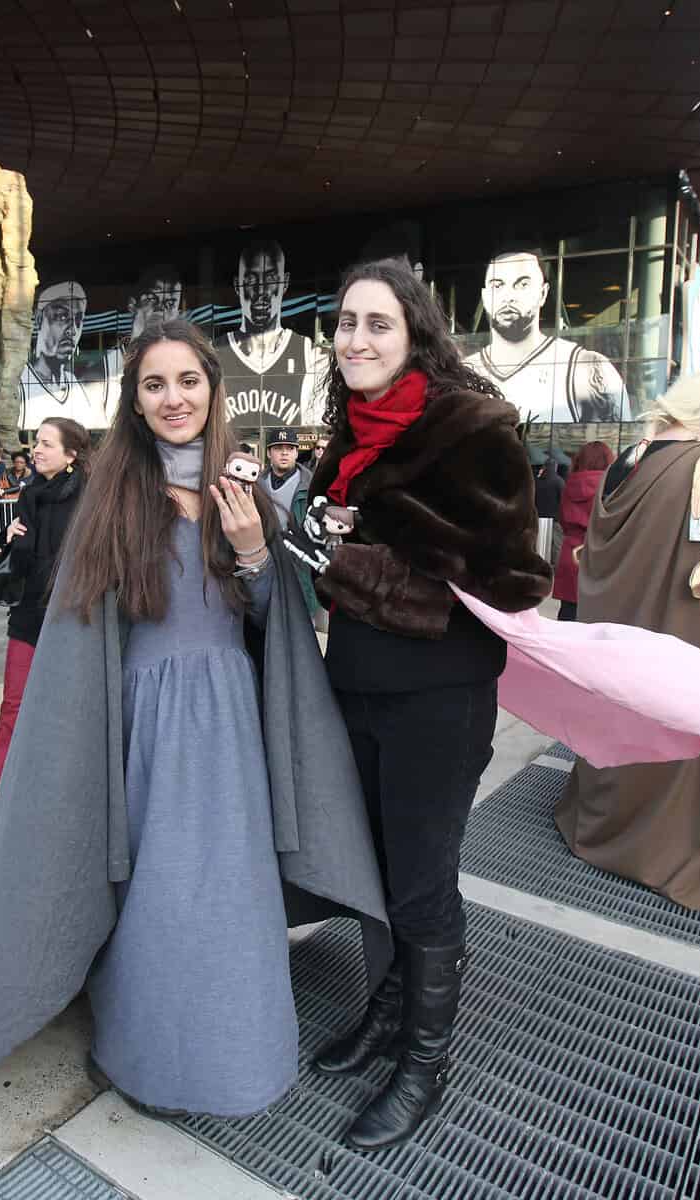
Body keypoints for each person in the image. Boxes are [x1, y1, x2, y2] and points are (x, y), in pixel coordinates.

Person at [0, 318, 389, 1129]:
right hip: (141, 726)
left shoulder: (247, 495)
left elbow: (277, 625)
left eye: (188, 381)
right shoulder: (112, 499)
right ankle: (148, 1054)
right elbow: (81, 639)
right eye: (155, 384)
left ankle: (234, 1055)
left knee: (228, 893)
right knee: (158, 895)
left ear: (213, 390)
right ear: (134, 403)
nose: (174, 398)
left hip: (229, 725)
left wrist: (253, 552)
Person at [286, 260, 550, 1150]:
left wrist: (355, 556)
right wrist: (319, 538)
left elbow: (512, 580)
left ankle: (426, 1063)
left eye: (377, 324)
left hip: (439, 697)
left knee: (422, 884)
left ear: (416, 335)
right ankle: (389, 1014)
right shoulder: (349, 437)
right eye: (345, 322)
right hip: (356, 684)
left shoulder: (473, 428)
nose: (355, 339)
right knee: (375, 868)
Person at [557, 372, 700, 911]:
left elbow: (597, 551)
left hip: (619, 624)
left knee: (621, 722)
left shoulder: (628, 458)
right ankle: (698, 848)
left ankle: (608, 827)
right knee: (683, 736)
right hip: (676, 625)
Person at [0, 416, 90, 820]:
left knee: (71, 710)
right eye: (37, 442)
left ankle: (70, 793)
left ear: (71, 454)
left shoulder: (92, 498)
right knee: (13, 704)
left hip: (75, 617)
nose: (37, 450)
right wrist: (8, 538)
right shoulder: (29, 494)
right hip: (29, 614)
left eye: (47, 444)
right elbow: (17, 561)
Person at [463, 249, 628, 424]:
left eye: (522, 284)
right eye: (497, 285)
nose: (508, 297)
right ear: (485, 296)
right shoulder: (463, 372)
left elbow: (618, 439)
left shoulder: (584, 368)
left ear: (543, 293)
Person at [219, 239, 328, 430]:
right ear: (237, 285)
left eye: (270, 279)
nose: (261, 291)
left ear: (284, 283)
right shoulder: (214, 354)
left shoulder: (311, 357)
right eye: (251, 280)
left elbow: (317, 432)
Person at [20, 280, 114, 433]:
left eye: (78, 320)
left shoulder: (75, 385)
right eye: (62, 317)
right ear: (39, 319)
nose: (72, 330)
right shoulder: (20, 381)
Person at [551, 441, 615, 622]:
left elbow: (563, 519)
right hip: (598, 553)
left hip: (571, 551)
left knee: (568, 614)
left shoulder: (568, 484)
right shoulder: (611, 488)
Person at [259, 427, 310, 527]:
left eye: (290, 448)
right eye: (278, 448)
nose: (284, 453)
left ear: (296, 453)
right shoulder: (257, 483)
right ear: (268, 453)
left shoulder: (310, 484)